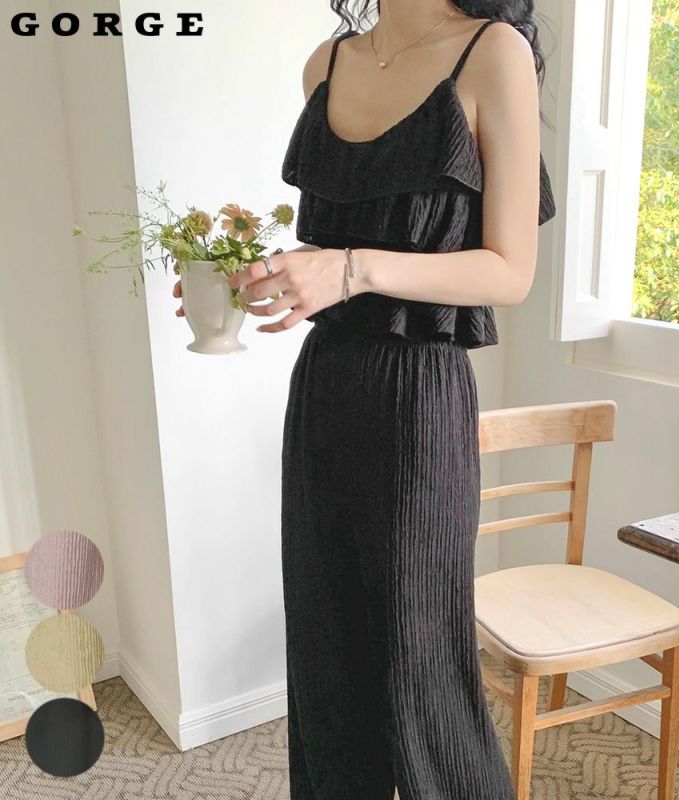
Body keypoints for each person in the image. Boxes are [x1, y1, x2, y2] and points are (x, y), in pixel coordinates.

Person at [174, 2, 555, 797]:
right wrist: (261, 280)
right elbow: (338, 249)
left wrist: (352, 268)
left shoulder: (494, 54)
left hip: (419, 397)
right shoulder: (327, 63)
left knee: (421, 668)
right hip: (325, 385)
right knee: (326, 649)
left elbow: (509, 271)